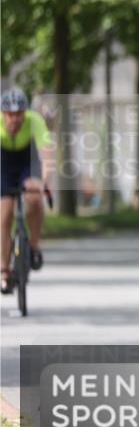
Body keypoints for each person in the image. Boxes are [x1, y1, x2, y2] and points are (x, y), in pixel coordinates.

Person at [1, 88, 50, 294]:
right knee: (4, 215)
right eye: (10, 114)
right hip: (3, 164)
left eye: (19, 113)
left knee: (34, 198)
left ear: (25, 112)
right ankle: (4, 271)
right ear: (3, 114)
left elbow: (46, 153)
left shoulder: (34, 120)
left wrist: (44, 182)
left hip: (26, 163)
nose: (15, 118)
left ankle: (34, 246)